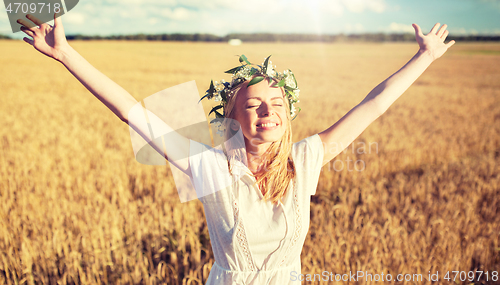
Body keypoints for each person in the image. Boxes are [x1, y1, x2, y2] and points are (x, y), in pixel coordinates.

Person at [17, 12, 455, 284]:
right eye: (253, 105)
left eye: (277, 103)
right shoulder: (210, 167)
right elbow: (134, 114)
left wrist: (426, 57)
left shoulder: (304, 160)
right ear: (234, 118)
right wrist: (67, 55)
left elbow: (372, 106)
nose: (267, 112)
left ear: (288, 113)